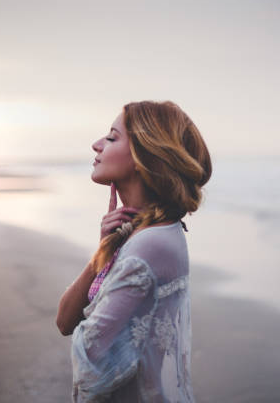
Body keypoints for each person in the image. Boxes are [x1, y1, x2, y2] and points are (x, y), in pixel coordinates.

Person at [56, 100, 212, 402]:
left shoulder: (149, 244)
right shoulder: (148, 232)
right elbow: (64, 322)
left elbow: (91, 361)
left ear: (144, 157)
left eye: (112, 137)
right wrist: (104, 250)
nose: (96, 145)